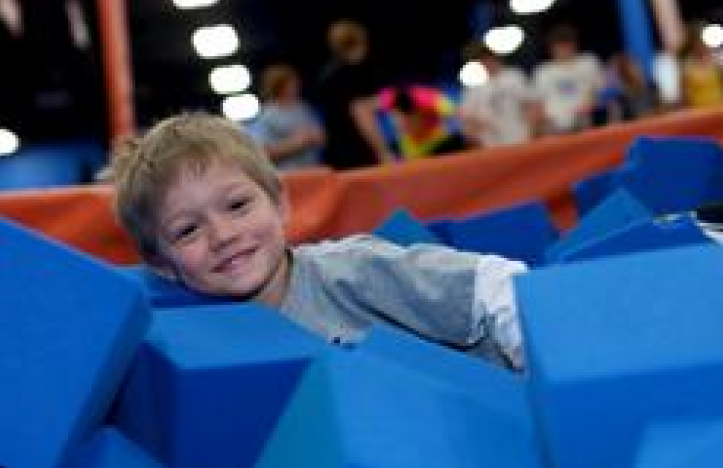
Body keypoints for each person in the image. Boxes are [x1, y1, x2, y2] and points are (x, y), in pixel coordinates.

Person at [108, 112, 526, 370]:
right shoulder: (201, 342)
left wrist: (541, 366)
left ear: (279, 204)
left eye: (237, 206)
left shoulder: (352, 270)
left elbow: (495, 284)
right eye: (188, 231)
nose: (223, 235)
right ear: (163, 265)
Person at [314, 19, 389, 168]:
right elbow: (361, 112)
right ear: (360, 41)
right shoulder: (353, 74)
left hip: (336, 155)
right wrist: (384, 153)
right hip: (358, 155)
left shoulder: (326, 75)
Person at [457, 41, 544, 147]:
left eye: (490, 58)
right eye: (482, 60)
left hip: (521, 140)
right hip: (491, 146)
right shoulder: (473, 86)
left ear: (496, 57)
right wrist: (479, 131)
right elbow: (467, 121)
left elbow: (533, 107)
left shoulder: (514, 76)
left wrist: (533, 134)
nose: (487, 62)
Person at [351, 84, 468, 161]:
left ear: (418, 113)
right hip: (412, 156)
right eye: (397, 121)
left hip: (439, 146)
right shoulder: (391, 97)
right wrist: (384, 153)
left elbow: (460, 115)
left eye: (406, 123)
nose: (400, 127)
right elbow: (359, 108)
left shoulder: (427, 98)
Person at [245, 63, 325, 171]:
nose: (296, 86)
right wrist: (295, 143)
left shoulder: (303, 108)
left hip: (313, 169)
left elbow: (321, 136)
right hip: (287, 175)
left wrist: (315, 137)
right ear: (279, 86)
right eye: (291, 83)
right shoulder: (267, 116)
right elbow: (261, 152)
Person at [530, 24, 605, 133]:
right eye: (559, 47)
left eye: (567, 46)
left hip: (584, 126)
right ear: (551, 48)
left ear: (575, 45)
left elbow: (602, 92)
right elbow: (537, 105)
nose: (563, 50)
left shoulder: (588, 62)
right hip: (554, 129)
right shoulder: (543, 71)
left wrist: (592, 102)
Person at [677, 23, 723, 110]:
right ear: (692, 44)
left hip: (722, 108)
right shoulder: (686, 66)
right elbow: (683, 95)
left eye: (701, 42)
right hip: (700, 113)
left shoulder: (717, 60)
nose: (700, 45)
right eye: (696, 42)